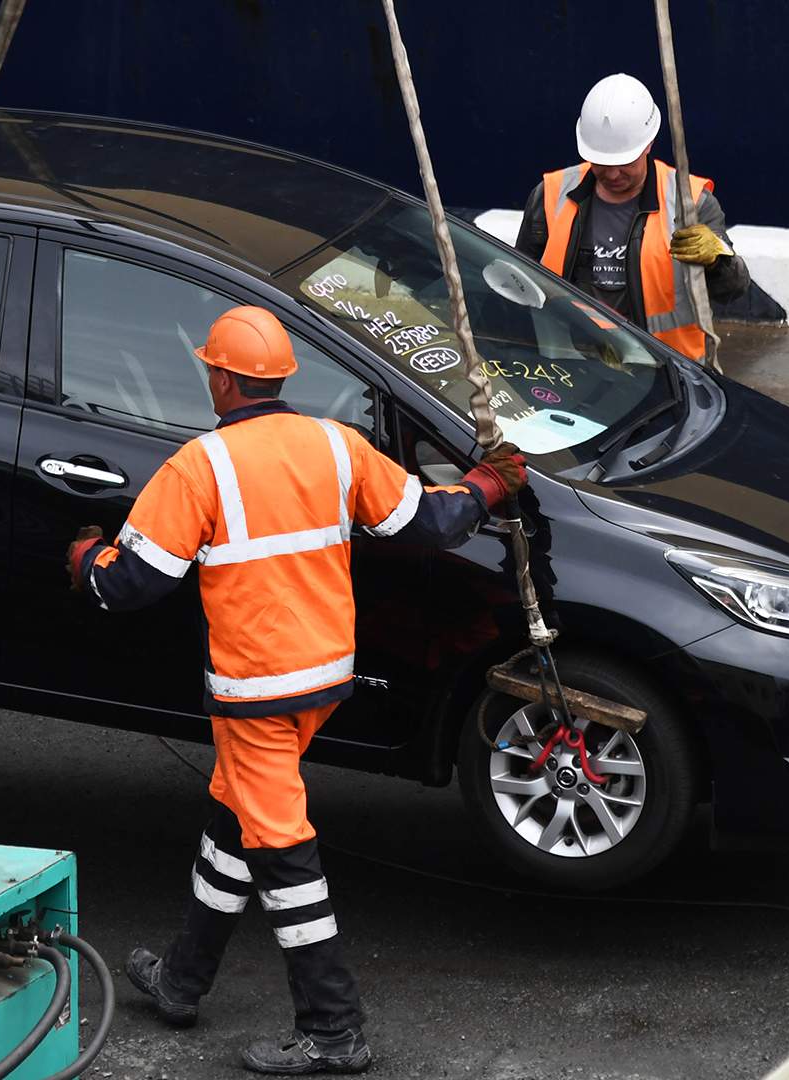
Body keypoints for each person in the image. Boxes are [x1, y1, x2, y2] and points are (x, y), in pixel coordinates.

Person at [65, 305, 526, 1074]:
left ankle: (334, 1029)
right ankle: (182, 980)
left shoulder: (199, 467)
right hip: (323, 680)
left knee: (282, 852)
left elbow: (130, 586)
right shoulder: (336, 447)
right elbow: (431, 523)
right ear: (280, 378)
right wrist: (486, 481)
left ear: (220, 377)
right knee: (236, 817)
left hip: (255, 694)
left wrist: (83, 558)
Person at [513, 72, 749, 362]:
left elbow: (733, 290)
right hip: (571, 365)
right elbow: (520, 284)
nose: (612, 174)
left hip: (670, 370)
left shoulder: (690, 203)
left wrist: (718, 259)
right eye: (601, 162)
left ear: (648, 145)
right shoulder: (550, 196)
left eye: (624, 163)